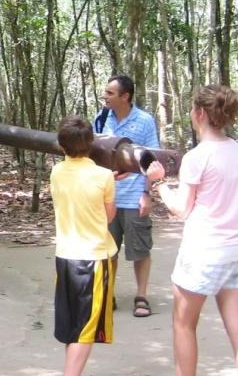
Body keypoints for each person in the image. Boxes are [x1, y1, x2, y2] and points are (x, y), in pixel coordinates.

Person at [145, 85, 238, 376]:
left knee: (183, 325)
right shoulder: (236, 151)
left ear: (200, 113)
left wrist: (159, 183)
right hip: (234, 251)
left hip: (203, 252)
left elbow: (181, 209)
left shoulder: (198, 156)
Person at [50, 116, 117, 376]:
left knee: (73, 328)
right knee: (86, 329)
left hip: (65, 257)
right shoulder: (104, 176)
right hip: (93, 260)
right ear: (91, 142)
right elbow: (108, 216)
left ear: (61, 145)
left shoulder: (56, 171)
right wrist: (110, 182)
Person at [95, 75, 160, 317]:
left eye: (110, 93)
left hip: (134, 196)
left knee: (139, 250)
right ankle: (107, 294)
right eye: (105, 92)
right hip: (107, 196)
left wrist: (146, 194)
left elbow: (151, 160)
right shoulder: (101, 119)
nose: (105, 96)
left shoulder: (144, 121)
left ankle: (141, 296)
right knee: (107, 249)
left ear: (125, 96)